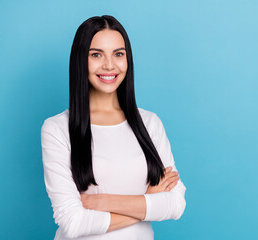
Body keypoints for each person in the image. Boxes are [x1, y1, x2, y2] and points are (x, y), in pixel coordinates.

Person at [40, 15, 186, 240]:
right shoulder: (57, 129)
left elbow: (176, 204)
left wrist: (103, 201)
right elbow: (73, 223)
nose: (109, 65)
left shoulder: (149, 123)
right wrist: (147, 201)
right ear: (81, 60)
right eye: (96, 55)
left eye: (118, 54)